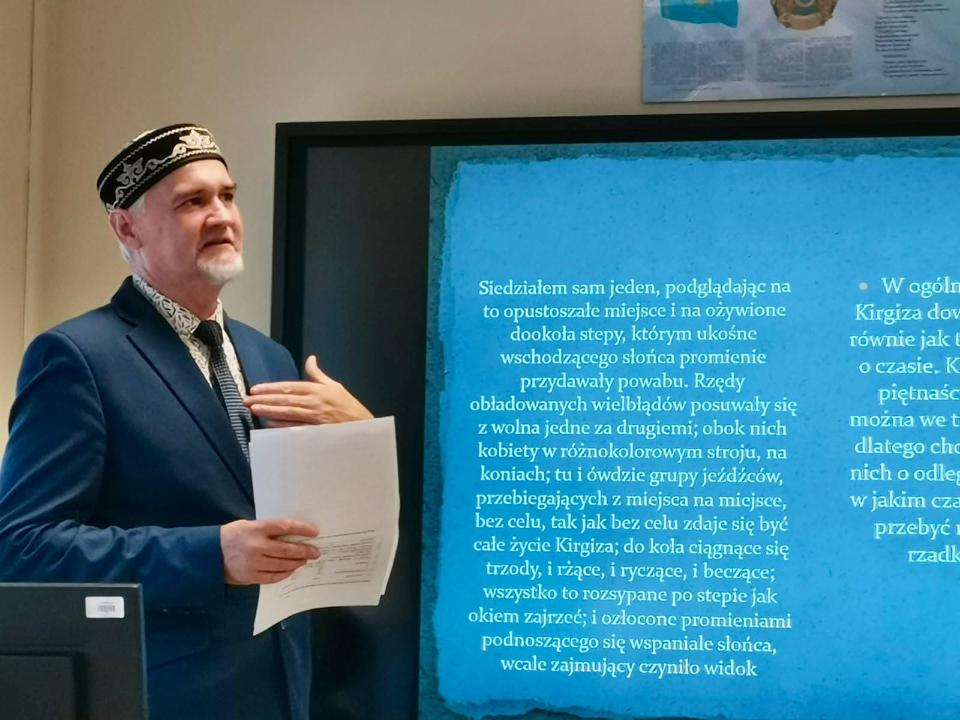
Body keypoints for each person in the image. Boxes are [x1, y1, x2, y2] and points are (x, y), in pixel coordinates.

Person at [0, 124, 372, 720]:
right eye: (193, 202)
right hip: (165, 698)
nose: (221, 216)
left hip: (283, 693)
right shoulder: (78, 357)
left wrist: (359, 439)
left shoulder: (269, 356)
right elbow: (22, 548)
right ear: (127, 228)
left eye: (227, 195)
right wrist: (210, 554)